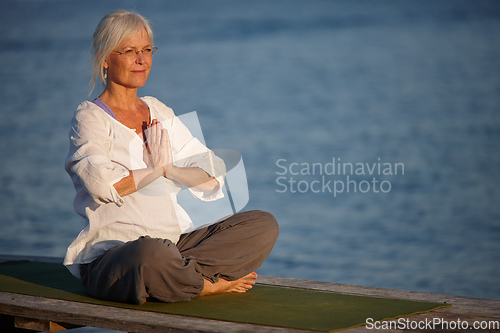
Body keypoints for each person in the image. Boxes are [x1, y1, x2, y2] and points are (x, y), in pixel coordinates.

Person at [63, 10, 278, 305]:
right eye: (129, 51)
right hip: (116, 254)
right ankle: (205, 285)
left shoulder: (158, 111)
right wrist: (153, 171)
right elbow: (102, 184)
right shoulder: (90, 116)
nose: (141, 60)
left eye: (147, 50)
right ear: (105, 58)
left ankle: (174, 278)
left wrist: (170, 170)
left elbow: (213, 172)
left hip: (175, 245)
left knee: (262, 226)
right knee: (151, 255)